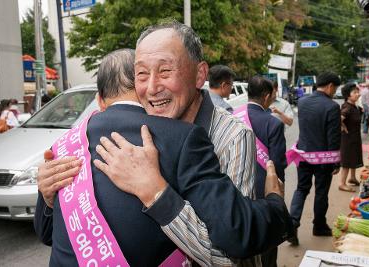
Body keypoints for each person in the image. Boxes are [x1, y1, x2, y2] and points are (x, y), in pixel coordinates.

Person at [35, 22, 292, 266]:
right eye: (142, 74)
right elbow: (58, 235)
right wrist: (48, 196)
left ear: (199, 74)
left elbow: (228, 256)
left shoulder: (232, 136)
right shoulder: (134, 132)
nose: (152, 87)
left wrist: (155, 192)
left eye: (165, 71)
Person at [234, 75, 287, 266]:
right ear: (266, 95)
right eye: (273, 93)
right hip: (264, 191)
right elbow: (278, 164)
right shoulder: (273, 123)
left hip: (235, 188)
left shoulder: (231, 115)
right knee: (268, 241)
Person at [288, 72, 341, 246]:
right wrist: (336, 161)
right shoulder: (332, 107)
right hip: (323, 159)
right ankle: (319, 226)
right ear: (331, 86)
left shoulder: (302, 102)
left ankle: (292, 224)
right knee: (321, 192)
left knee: (301, 189)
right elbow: (333, 137)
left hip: (303, 155)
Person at [338, 83, 363, 192]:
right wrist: (343, 127)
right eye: (355, 92)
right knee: (347, 161)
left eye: (358, 92)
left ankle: (352, 178)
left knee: (353, 157)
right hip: (348, 138)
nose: (358, 94)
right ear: (348, 95)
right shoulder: (347, 107)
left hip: (354, 137)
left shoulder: (354, 105)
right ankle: (342, 183)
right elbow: (339, 118)